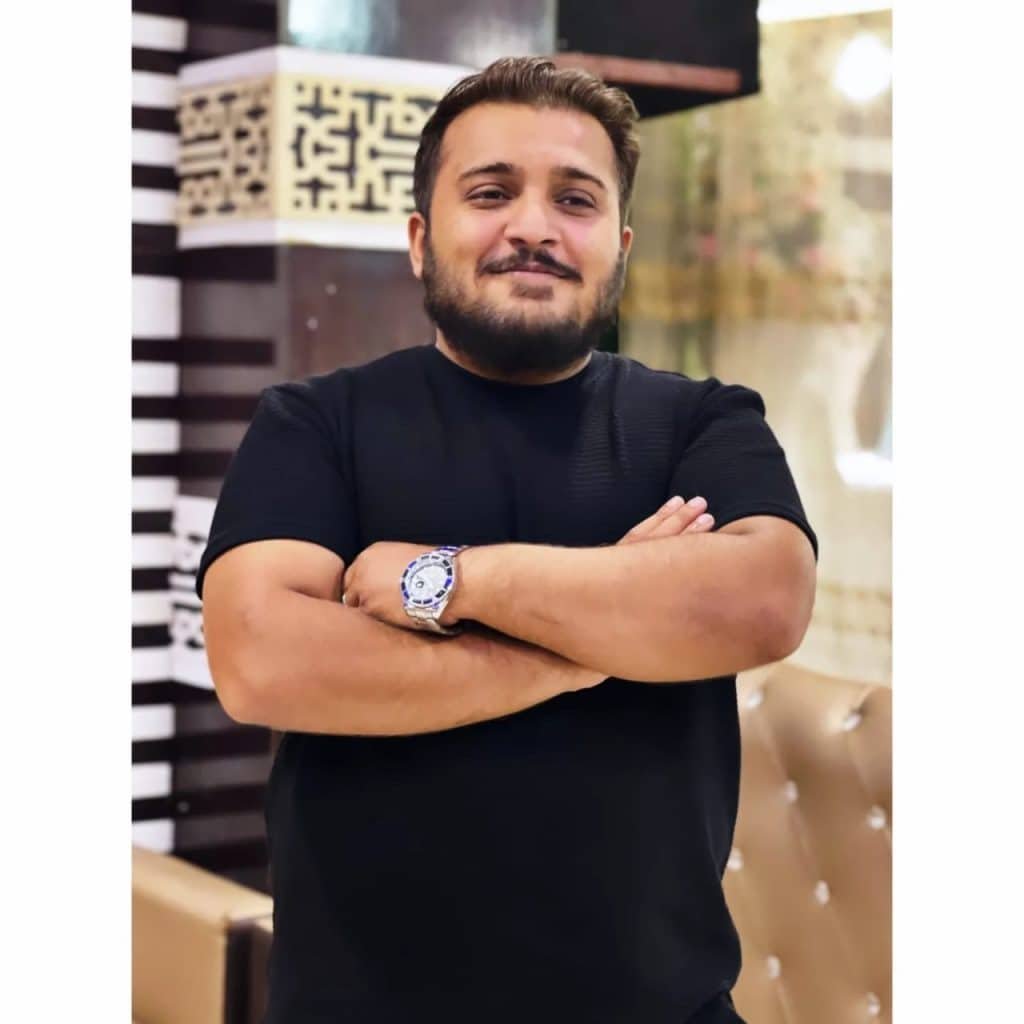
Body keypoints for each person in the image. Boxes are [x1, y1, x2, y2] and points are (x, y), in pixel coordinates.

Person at [197, 56, 818, 1024]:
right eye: (490, 193)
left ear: (618, 245)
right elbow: (261, 659)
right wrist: (597, 643)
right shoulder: (316, 423)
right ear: (420, 238)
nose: (533, 226)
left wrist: (448, 579)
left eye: (574, 199)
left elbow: (765, 601)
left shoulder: (701, 421)